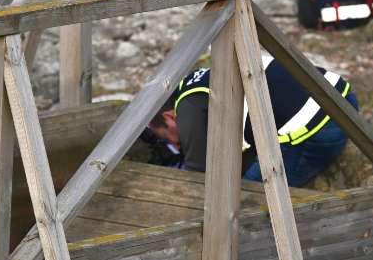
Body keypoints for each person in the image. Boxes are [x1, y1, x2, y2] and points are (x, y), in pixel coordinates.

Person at [146, 62, 357, 188]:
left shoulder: (188, 109)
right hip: (341, 96)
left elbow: (199, 180)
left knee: (242, 203)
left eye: (167, 137)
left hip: (318, 130)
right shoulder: (195, 82)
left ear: (170, 117)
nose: (177, 145)